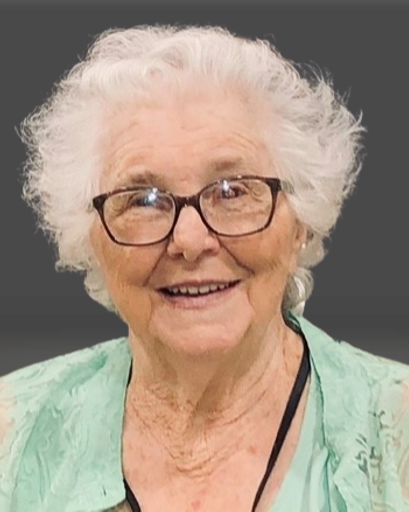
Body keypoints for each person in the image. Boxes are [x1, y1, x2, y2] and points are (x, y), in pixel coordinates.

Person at [0, 24, 408, 512]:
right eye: (142, 200)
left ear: (301, 222)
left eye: (233, 192)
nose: (190, 242)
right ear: (91, 240)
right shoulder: (11, 432)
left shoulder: (396, 431)